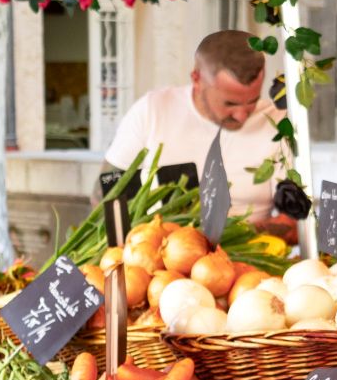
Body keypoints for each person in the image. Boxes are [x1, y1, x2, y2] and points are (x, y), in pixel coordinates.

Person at [103, 30, 294, 235]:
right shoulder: (153, 111)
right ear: (197, 79)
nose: (241, 115)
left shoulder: (278, 123)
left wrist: (230, 234)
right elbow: (106, 196)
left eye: (252, 101)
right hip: (160, 255)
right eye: (230, 103)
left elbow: (295, 224)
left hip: (249, 259)